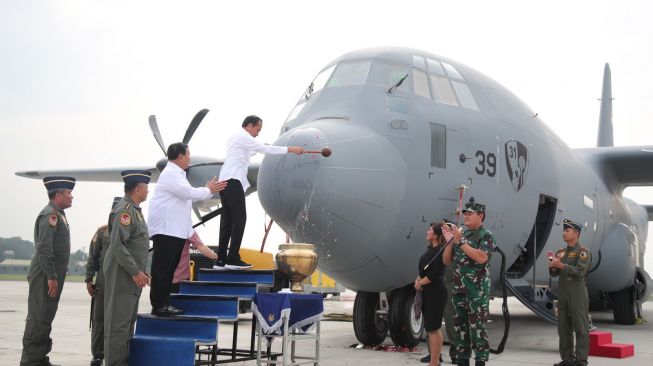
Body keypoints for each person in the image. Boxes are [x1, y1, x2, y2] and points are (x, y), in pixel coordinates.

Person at [215, 115, 306, 270]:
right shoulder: (243, 136)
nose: (257, 133)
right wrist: (292, 149)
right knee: (240, 219)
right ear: (249, 126)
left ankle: (221, 260)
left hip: (224, 181)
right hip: (233, 181)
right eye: (257, 129)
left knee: (227, 222)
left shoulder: (235, 137)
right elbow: (265, 150)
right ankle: (233, 258)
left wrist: (259, 147)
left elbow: (249, 152)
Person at [147, 142, 226, 316]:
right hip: (167, 231)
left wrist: (206, 190)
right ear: (181, 156)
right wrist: (208, 190)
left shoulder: (178, 175)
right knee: (162, 270)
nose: (190, 158)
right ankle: (159, 305)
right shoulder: (171, 174)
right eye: (188, 155)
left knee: (168, 270)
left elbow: (187, 195)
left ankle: (165, 303)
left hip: (174, 231)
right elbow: (189, 193)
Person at [20, 176, 75, 366]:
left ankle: (39, 357)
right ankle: (30, 361)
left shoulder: (58, 214)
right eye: (68, 193)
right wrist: (51, 276)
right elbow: (44, 248)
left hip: (51, 274)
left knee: (46, 316)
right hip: (45, 274)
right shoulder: (50, 215)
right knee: (38, 315)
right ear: (58, 195)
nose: (71, 196)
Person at [103, 170, 152, 366]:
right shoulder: (125, 211)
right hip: (123, 274)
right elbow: (118, 245)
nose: (148, 191)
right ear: (138, 188)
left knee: (127, 322)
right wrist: (135, 271)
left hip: (131, 275)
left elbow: (136, 245)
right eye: (146, 187)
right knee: (118, 325)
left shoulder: (135, 211)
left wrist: (142, 270)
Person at [443, 200, 496, 366]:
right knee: (460, 329)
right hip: (459, 290)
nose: (465, 215)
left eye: (470, 213)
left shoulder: (485, 235)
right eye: (464, 213)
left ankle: (480, 361)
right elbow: (446, 260)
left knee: (477, 328)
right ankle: (462, 360)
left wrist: (460, 242)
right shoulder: (462, 236)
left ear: (480, 216)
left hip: (477, 292)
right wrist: (451, 241)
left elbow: (481, 258)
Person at [549, 219, 592, 366]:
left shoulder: (583, 252)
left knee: (581, 328)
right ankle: (567, 359)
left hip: (577, 295)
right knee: (563, 328)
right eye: (564, 230)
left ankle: (581, 360)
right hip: (563, 295)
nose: (564, 233)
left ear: (576, 233)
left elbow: (580, 272)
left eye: (567, 231)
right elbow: (554, 274)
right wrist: (553, 266)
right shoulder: (560, 253)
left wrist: (561, 265)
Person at [415, 222, 449, 366]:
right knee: (430, 327)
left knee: (434, 328)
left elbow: (435, 274)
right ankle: (434, 359)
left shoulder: (440, 251)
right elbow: (425, 271)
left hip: (435, 292)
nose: (427, 231)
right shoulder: (432, 250)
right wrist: (418, 279)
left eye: (429, 230)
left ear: (435, 235)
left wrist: (420, 283)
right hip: (428, 292)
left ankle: (434, 362)